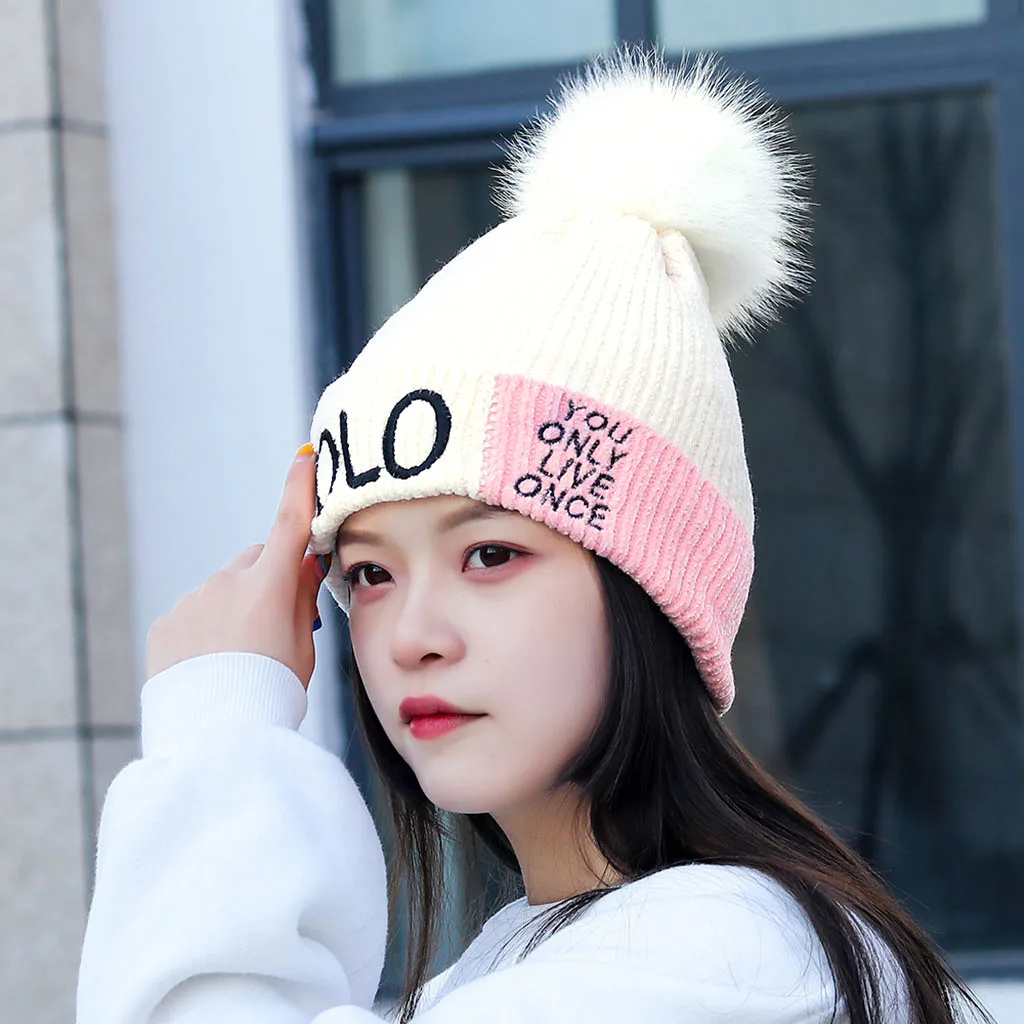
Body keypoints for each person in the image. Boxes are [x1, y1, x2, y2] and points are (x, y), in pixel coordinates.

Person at [76, 49, 991, 1023]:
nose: (413, 636)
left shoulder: (720, 953)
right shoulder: (541, 959)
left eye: (489, 554)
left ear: (652, 582)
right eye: (371, 573)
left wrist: (220, 727)